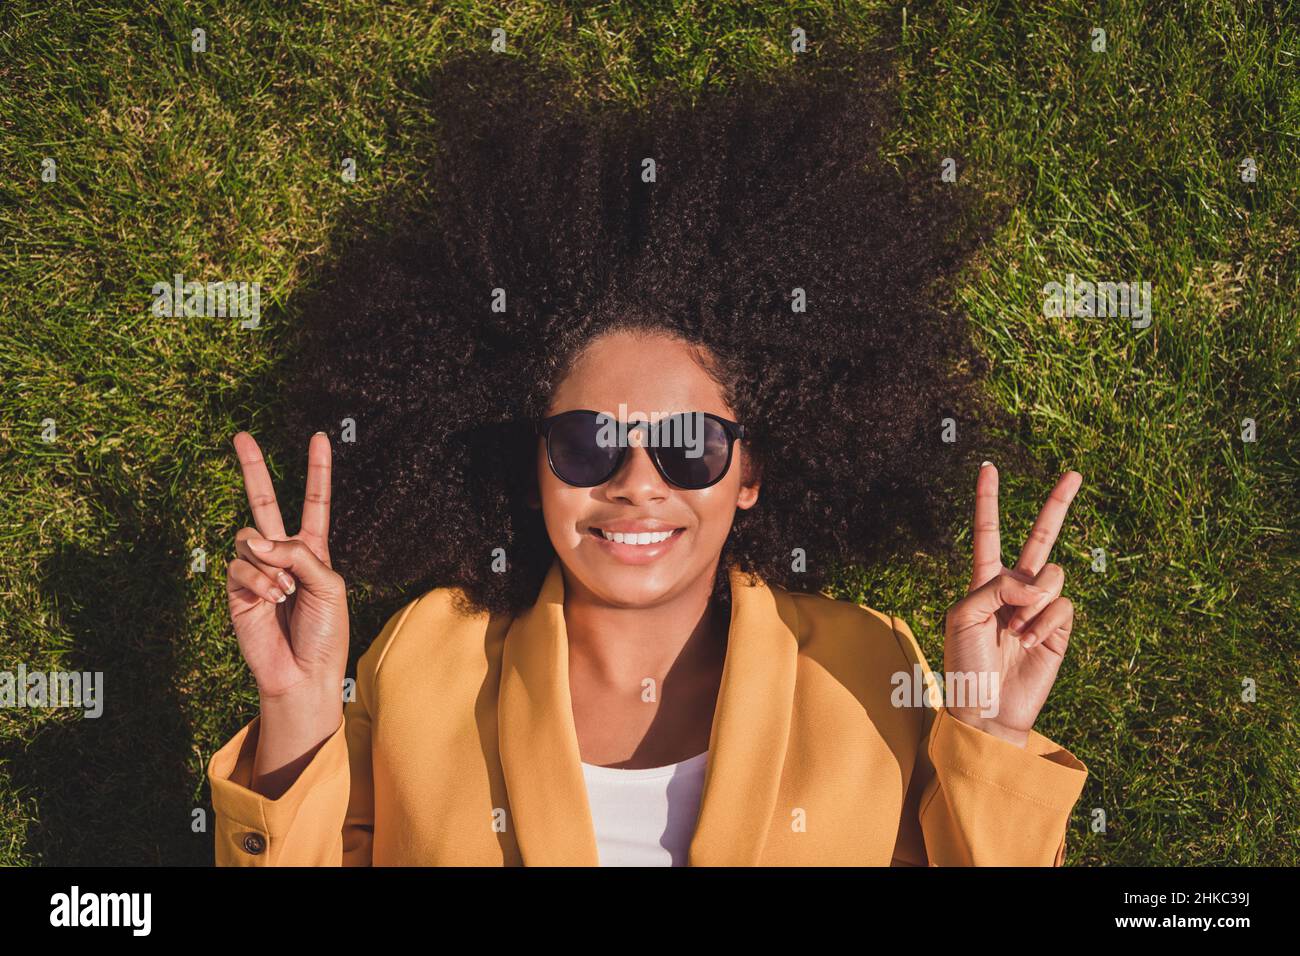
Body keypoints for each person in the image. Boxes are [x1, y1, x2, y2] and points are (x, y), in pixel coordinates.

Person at [206, 51, 1088, 866]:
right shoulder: (426, 659)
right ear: (535, 467)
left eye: (687, 447)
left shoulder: (864, 667)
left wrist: (989, 734)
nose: (635, 483)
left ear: (750, 476)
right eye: (587, 442)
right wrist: (297, 700)